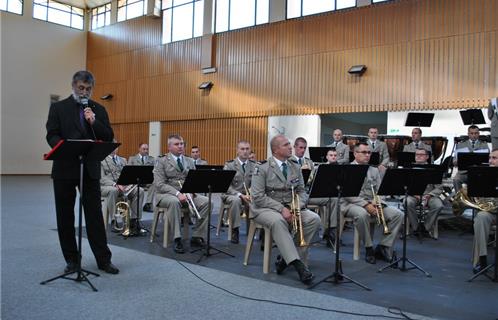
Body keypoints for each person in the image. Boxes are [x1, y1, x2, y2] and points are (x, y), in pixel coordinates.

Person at [45, 70, 118, 274]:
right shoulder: (59, 108)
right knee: (65, 216)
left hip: (90, 168)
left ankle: (103, 260)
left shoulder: (98, 109)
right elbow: (51, 133)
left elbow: (108, 136)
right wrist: (61, 146)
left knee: (94, 215)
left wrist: (94, 121)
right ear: (73, 85)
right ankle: (72, 260)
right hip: (64, 167)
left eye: (88, 89)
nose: (84, 92)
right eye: (81, 88)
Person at [250, 135, 320, 284]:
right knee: (278, 221)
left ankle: (285, 257)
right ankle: (298, 264)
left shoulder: (294, 165)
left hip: (291, 206)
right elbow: (257, 197)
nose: (290, 147)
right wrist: (282, 208)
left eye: (290, 144)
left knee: (314, 219)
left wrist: (295, 206)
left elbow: (302, 191)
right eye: (286, 144)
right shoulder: (262, 167)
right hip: (265, 208)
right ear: (275, 150)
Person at [341, 142, 403, 264]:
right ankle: (369, 248)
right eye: (364, 152)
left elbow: (380, 191)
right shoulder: (347, 169)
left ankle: (383, 247)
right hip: (351, 203)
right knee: (362, 214)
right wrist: (365, 204)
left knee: (398, 214)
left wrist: (378, 202)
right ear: (355, 153)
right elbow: (347, 194)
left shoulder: (374, 170)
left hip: (372, 203)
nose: (367, 155)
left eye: (369, 152)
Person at [153, 134, 210, 254]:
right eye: (176, 144)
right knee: (174, 202)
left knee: (207, 202)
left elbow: (193, 179)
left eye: (182, 144)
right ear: (169, 147)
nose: (180, 146)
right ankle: (177, 238)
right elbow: (159, 184)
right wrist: (177, 193)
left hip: (187, 193)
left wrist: (192, 190)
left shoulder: (189, 161)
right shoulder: (161, 160)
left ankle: (197, 235)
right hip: (166, 194)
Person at [101, 147, 144, 234]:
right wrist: (115, 184)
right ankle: (114, 220)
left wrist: (129, 183)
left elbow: (128, 174)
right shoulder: (101, 160)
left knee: (140, 190)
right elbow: (101, 178)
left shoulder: (123, 160)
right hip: (107, 186)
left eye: (115, 147)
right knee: (113, 191)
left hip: (123, 186)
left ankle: (134, 220)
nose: (113, 149)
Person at [404, 148, 444, 237]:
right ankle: (416, 228)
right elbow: (404, 186)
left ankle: (426, 228)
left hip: (430, 195)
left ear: (427, 157)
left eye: (421, 155)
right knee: (407, 202)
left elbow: (439, 188)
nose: (418, 156)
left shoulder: (434, 169)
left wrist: (429, 195)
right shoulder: (408, 168)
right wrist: (414, 194)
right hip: (413, 195)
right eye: (416, 154)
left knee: (438, 205)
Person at [221, 140, 255, 244]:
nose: (245, 151)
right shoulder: (230, 165)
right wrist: (240, 195)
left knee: (261, 200)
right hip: (231, 194)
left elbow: (258, 184)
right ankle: (235, 230)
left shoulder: (255, 165)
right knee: (236, 201)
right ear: (237, 151)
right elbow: (225, 185)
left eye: (247, 149)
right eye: (242, 149)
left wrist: (253, 193)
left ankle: (261, 232)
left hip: (249, 195)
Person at [472, 149, 498, 274]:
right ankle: (481, 259)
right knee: (480, 217)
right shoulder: (484, 174)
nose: (490, 161)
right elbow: (479, 198)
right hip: (491, 212)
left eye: (494, 158)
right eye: (490, 158)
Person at [307, 148, 339, 248]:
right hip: (316, 195)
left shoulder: (340, 168)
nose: (333, 157)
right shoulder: (320, 167)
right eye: (331, 155)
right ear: (327, 157)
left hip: (329, 195)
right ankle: (328, 233)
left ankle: (331, 231)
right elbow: (311, 183)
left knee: (334, 199)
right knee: (333, 199)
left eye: (335, 155)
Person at [453, 125, 490, 191]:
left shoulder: (484, 144)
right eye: (472, 133)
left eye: (476, 133)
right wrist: (456, 162)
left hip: (478, 173)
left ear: (479, 134)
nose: (474, 135)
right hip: (464, 173)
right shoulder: (460, 145)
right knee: (456, 179)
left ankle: (480, 198)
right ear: (468, 134)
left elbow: (488, 160)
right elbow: (454, 160)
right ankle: (460, 198)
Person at [128, 143, 156, 212]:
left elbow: (155, 170)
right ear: (139, 149)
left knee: (154, 182)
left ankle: (148, 204)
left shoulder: (152, 159)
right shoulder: (132, 159)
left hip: (146, 180)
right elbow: (128, 171)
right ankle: (136, 206)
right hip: (135, 181)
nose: (146, 151)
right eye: (144, 149)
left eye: (147, 149)